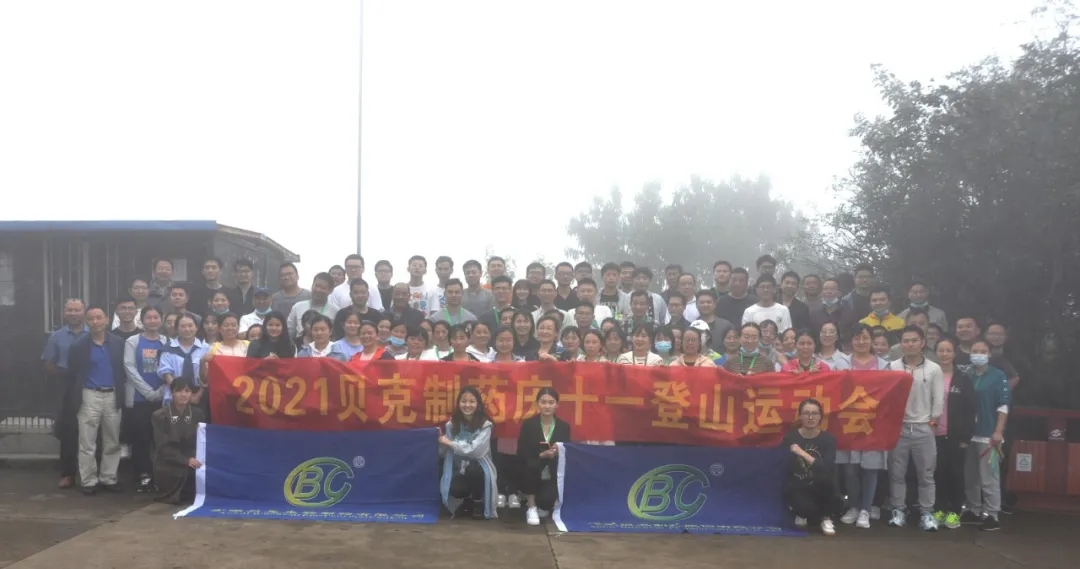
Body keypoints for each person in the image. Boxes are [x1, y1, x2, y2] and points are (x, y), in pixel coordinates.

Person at [887, 325, 945, 531]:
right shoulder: (892, 367)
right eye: (906, 341)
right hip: (899, 428)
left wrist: (932, 425)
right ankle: (898, 510)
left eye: (914, 340)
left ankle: (927, 513)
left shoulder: (934, 369)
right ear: (900, 344)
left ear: (922, 343)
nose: (910, 344)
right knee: (896, 473)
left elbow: (938, 400)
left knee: (926, 474)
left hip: (923, 428)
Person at [67, 306, 127, 494]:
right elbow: (73, 372)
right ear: (87, 322)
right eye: (91, 319)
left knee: (113, 440)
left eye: (99, 318)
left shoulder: (118, 343)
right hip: (89, 394)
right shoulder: (79, 345)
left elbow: (123, 369)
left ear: (107, 319)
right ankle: (88, 481)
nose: (95, 322)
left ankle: (109, 478)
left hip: (113, 394)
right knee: (87, 441)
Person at [837, 324, 890, 529]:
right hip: (849, 422)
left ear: (871, 340)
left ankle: (866, 509)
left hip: (874, 424)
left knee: (871, 468)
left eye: (865, 338)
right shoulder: (841, 364)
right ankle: (853, 506)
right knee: (850, 469)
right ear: (851, 341)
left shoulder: (884, 366)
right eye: (857, 338)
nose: (861, 342)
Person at [961, 338, 1011, 531]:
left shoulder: (998, 376)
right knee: (970, 476)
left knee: (989, 476)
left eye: (983, 351)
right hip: (968, 434)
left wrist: (998, 431)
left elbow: (1003, 405)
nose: (978, 354)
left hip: (988, 434)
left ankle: (992, 513)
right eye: (975, 351)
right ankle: (973, 509)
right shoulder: (966, 374)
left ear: (989, 354)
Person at [42, 298, 88, 489]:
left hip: (91, 383)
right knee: (68, 430)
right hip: (67, 384)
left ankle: (92, 474)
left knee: (93, 431)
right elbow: (49, 363)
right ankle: (68, 473)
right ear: (64, 313)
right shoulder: (56, 337)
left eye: (77, 310)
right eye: (70, 310)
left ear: (84, 312)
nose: (73, 313)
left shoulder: (94, 334)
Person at [931, 336, 976, 530]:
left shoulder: (963, 379)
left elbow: (970, 410)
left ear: (955, 353)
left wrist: (966, 437)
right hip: (933, 434)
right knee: (937, 473)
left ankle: (954, 511)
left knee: (956, 473)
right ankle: (939, 508)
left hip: (956, 436)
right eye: (941, 350)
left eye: (948, 350)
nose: (944, 354)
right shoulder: (930, 374)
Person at [123, 306, 167, 492]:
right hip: (138, 399)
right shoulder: (132, 341)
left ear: (161, 319)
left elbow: (170, 367)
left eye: (156, 317)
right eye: (148, 317)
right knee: (141, 439)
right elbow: (129, 367)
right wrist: (148, 391)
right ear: (142, 320)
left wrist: (161, 390)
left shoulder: (166, 341)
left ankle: (160, 475)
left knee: (160, 439)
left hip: (162, 398)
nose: (152, 321)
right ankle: (143, 475)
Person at [782, 398, 840, 536]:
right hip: (798, 486)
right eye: (806, 413)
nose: (810, 417)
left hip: (820, 486)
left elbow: (826, 467)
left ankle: (826, 518)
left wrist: (802, 453)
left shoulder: (828, 439)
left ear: (820, 416)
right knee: (806, 511)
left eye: (814, 413)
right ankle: (802, 513)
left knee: (827, 480)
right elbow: (783, 466)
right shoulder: (790, 438)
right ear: (800, 416)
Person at [439, 386, 498, 520]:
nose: (467, 405)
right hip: (458, 468)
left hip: (479, 468)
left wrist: (451, 443)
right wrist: (440, 442)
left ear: (478, 404)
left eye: (472, 401)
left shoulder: (485, 425)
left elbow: (475, 451)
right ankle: (467, 502)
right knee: (455, 487)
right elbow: (443, 452)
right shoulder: (451, 425)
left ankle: (478, 502)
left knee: (475, 470)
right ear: (458, 403)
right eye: (464, 401)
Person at [518, 387, 570, 526]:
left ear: (557, 405)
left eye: (551, 402)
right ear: (537, 404)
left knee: (546, 503)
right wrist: (540, 455)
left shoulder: (564, 427)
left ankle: (544, 503)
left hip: (552, 469)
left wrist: (558, 452)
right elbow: (521, 452)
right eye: (543, 402)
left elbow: (567, 451)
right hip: (533, 468)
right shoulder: (529, 424)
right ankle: (531, 506)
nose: (547, 406)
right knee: (528, 466)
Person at [151, 377, 205, 505]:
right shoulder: (160, 415)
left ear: (192, 394)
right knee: (179, 472)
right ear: (172, 393)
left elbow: (201, 441)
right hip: (169, 461)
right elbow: (162, 447)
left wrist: (195, 458)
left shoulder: (198, 414)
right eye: (179, 391)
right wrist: (185, 460)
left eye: (187, 391)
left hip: (192, 459)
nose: (183, 395)